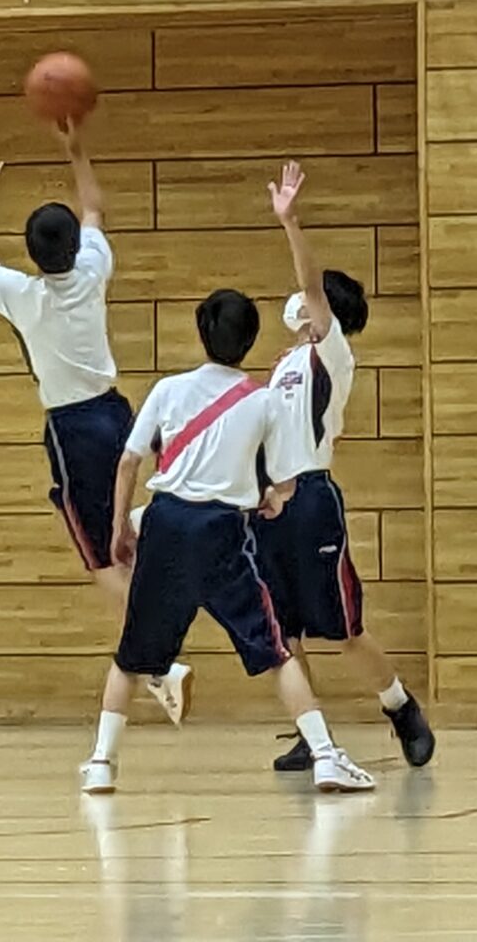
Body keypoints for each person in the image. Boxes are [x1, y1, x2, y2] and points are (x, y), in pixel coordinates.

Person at [80, 288, 374, 796]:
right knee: (276, 651)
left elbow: (129, 461)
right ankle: (326, 756)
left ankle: (102, 763)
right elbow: (284, 483)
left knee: (132, 652)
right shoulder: (264, 401)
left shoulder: (168, 389)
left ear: (202, 333)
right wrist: (268, 498)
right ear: (252, 339)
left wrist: (119, 528)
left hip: (165, 526)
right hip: (222, 533)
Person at [0, 126, 191, 724]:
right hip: (117, 413)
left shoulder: (23, 293)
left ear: (32, 255)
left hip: (73, 430)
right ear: (75, 246)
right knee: (120, 536)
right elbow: (95, 209)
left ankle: (160, 658)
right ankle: (149, 564)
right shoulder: (92, 270)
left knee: (99, 559)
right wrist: (76, 150)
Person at [255, 162, 434, 772]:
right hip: (270, 504)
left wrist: (290, 222)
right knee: (283, 633)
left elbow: (310, 281)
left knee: (344, 629)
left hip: (311, 501)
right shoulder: (285, 362)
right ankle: (312, 734)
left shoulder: (333, 352)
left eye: (308, 298)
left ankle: (400, 706)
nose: (296, 302)